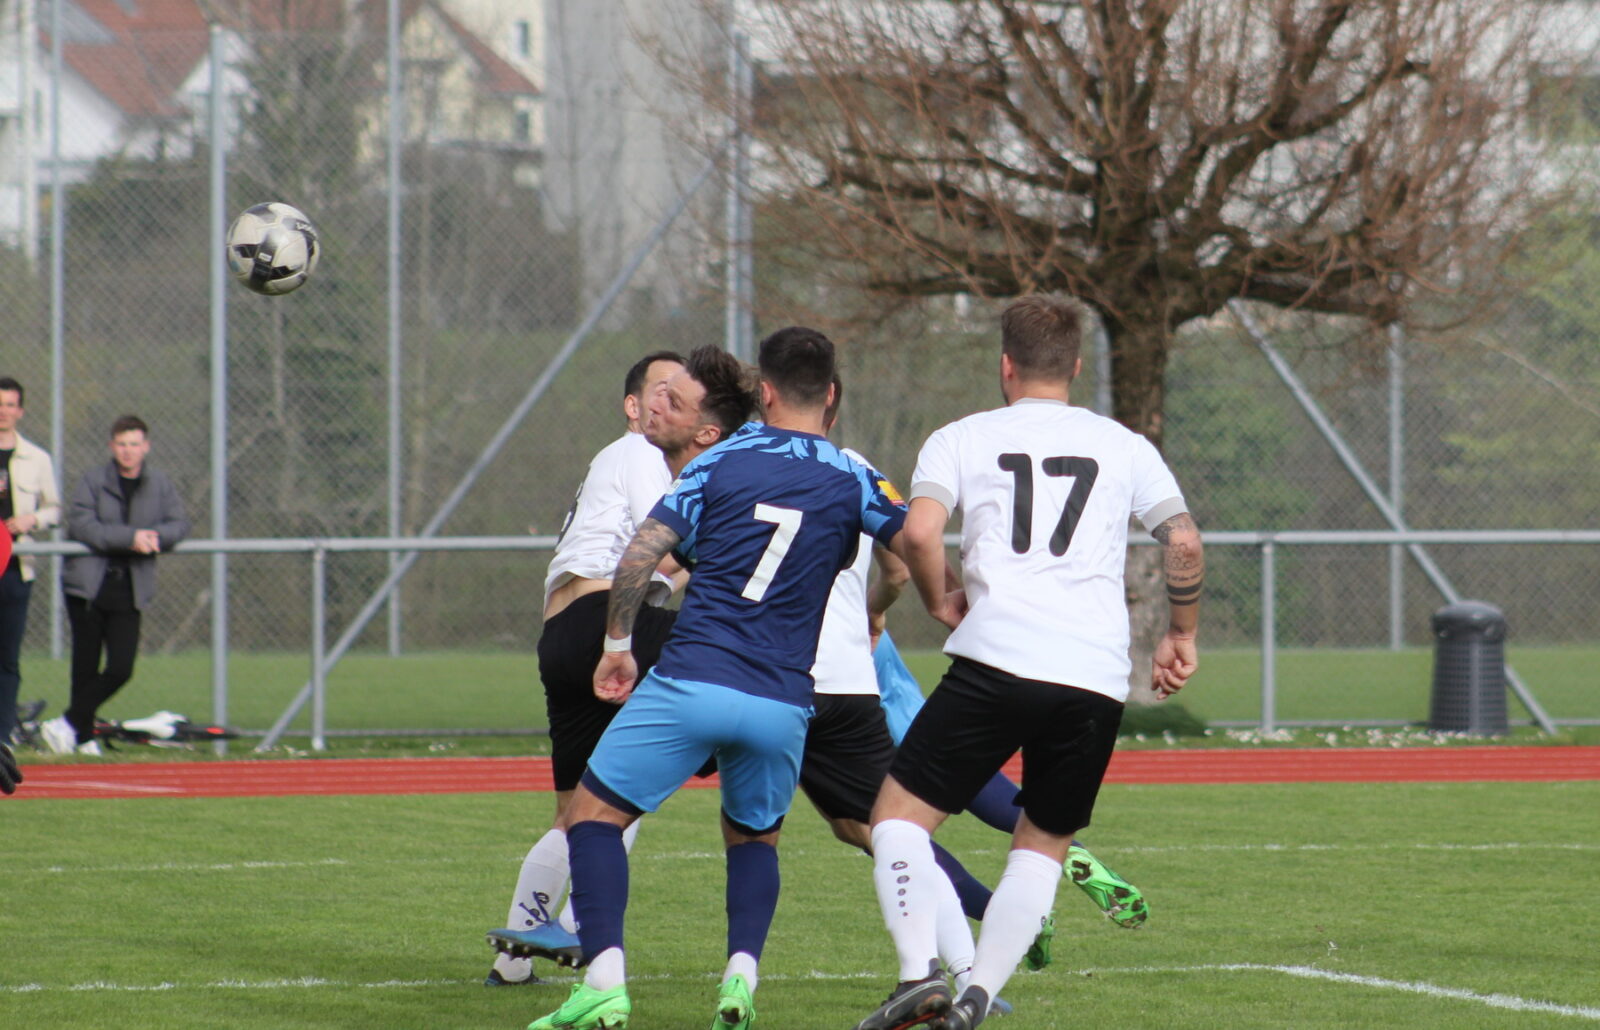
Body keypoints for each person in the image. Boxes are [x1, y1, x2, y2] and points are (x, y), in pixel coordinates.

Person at [527, 328, 914, 1030]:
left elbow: (643, 554)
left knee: (592, 817)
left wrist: (618, 646)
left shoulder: (719, 460)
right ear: (830, 394)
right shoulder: (853, 473)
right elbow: (909, 546)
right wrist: (923, 600)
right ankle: (740, 979)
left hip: (693, 681)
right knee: (755, 841)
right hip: (783, 701)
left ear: (764, 391)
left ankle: (605, 982)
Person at [853, 295, 1204, 1030]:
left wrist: (940, 597)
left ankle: (919, 976)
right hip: (1093, 677)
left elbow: (920, 533)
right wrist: (1182, 633)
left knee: (896, 820)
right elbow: (1182, 540)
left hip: (998, 659)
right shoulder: (1124, 444)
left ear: (1005, 365)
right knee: (1042, 845)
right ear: (1074, 366)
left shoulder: (960, 437)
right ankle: (977, 996)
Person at [483, 350, 690, 987]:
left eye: (681, 393)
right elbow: (676, 541)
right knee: (623, 798)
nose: (669, 403)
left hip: (562, 635)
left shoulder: (612, 459)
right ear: (633, 406)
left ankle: (512, 961)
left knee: (574, 810)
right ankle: (578, 925)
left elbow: (663, 560)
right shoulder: (645, 452)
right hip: (610, 624)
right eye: (661, 391)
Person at [40, 416, 191, 756]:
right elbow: (82, 525)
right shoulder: (93, 480)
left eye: (134, 444)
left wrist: (156, 537)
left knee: (121, 668)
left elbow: (179, 523)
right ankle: (82, 738)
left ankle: (66, 723)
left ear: (146, 447)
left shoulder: (159, 484)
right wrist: (130, 538)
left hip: (131, 587)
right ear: (112, 446)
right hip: (89, 586)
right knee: (85, 667)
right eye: (122, 444)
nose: (128, 451)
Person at [0, 377, 62, 747]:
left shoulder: (37, 459)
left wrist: (31, 520)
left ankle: (4, 735)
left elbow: (55, 510)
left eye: (10, 405)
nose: (3, 411)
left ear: (20, 411)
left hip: (16, 569)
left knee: (7, 657)